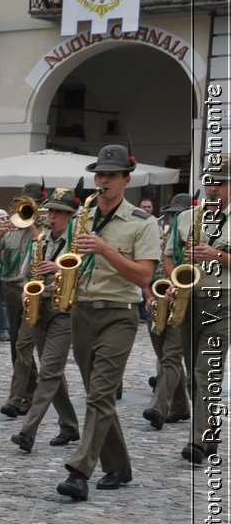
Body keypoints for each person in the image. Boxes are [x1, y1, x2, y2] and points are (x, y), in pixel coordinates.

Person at [53, 146, 158, 501]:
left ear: (127, 180)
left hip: (119, 312)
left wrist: (106, 250)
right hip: (82, 310)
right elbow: (71, 258)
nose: (103, 181)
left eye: (111, 175)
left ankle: (80, 470)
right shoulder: (84, 214)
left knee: (100, 394)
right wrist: (60, 271)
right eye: (99, 175)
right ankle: (119, 465)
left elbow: (144, 274)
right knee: (96, 396)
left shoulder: (143, 223)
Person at [9, 187, 82, 453]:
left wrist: (58, 267)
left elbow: (86, 271)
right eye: (50, 211)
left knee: (49, 371)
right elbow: (24, 274)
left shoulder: (78, 242)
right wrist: (30, 290)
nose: (52, 217)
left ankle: (28, 431)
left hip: (66, 310)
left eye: (59, 213)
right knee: (52, 372)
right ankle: (70, 426)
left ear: (71, 215)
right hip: (41, 307)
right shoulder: (40, 241)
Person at [183, 154, 230, 465]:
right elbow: (172, 255)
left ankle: (199, 441)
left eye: (219, 182)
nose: (212, 188)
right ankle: (208, 430)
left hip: (224, 300)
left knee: (206, 370)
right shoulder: (190, 217)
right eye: (208, 182)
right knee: (192, 376)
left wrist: (216, 254)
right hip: (191, 298)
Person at [143, 193, 195, 430]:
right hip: (160, 298)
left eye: (178, 215)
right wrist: (150, 293)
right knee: (164, 355)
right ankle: (181, 406)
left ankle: (158, 408)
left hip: (184, 300)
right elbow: (152, 266)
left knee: (171, 356)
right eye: (172, 215)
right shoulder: (163, 236)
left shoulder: (195, 237)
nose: (173, 220)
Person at [0, 184, 42, 419]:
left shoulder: (44, 230)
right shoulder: (11, 229)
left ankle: (15, 399)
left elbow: (41, 255)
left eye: (31, 204)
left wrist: (33, 228)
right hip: (11, 289)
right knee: (17, 346)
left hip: (33, 291)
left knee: (24, 344)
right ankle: (31, 395)